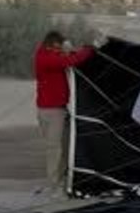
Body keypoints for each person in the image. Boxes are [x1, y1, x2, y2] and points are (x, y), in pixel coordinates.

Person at [33, 30, 95, 198]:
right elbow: (71, 60)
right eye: (57, 49)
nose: (59, 51)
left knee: (64, 146)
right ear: (51, 45)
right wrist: (89, 50)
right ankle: (53, 185)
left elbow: (67, 56)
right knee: (54, 148)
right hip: (51, 111)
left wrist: (70, 49)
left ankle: (61, 181)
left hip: (59, 109)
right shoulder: (45, 58)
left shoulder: (48, 53)